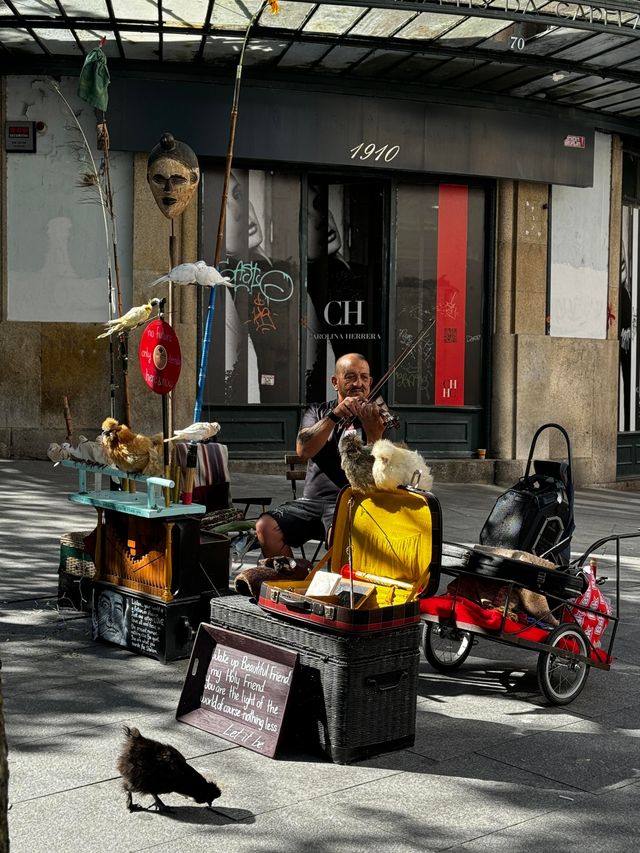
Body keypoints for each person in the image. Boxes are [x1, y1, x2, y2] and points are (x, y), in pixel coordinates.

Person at [256, 353, 395, 559]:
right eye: (350, 377)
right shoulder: (318, 411)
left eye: (364, 377)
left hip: (354, 502)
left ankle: (335, 587)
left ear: (371, 382)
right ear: (335, 382)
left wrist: (374, 434)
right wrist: (334, 415)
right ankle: (293, 577)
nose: (358, 383)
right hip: (311, 502)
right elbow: (303, 451)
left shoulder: (378, 416)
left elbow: (385, 472)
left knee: (342, 537)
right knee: (265, 526)